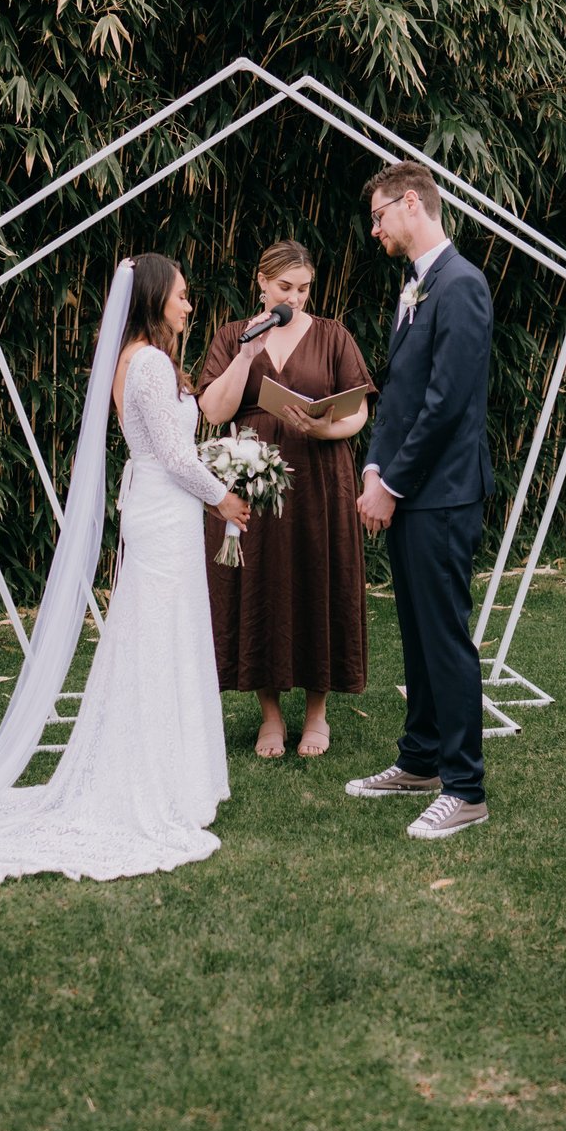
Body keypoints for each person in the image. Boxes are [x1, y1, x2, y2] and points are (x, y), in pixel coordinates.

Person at [0, 256, 252, 881]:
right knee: (157, 638)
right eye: (183, 296)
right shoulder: (147, 362)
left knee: (162, 636)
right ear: (153, 299)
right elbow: (170, 451)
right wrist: (222, 496)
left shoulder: (136, 359)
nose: (190, 306)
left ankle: (173, 773)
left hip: (159, 507)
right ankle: (154, 782)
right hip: (164, 509)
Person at [345, 163, 498, 840]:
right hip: (409, 490)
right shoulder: (416, 286)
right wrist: (374, 464)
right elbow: (400, 392)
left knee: (445, 639)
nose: (375, 229)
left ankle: (465, 787)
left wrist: (392, 484)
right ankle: (420, 760)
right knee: (416, 635)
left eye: (380, 215)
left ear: (414, 203)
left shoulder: (461, 285)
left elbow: (446, 404)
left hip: (442, 495)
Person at [196, 239, 374, 759]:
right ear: (262, 282)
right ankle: (270, 716)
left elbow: (360, 410)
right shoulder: (233, 336)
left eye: (303, 289)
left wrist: (325, 429)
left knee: (319, 578)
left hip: (320, 477)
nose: (294, 299)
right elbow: (214, 410)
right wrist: (248, 352)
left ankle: (317, 714)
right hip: (251, 480)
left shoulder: (333, 336)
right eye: (284, 288)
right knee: (258, 586)